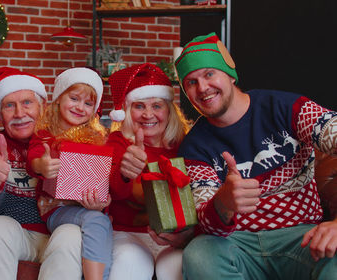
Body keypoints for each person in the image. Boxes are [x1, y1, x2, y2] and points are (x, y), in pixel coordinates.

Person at [175, 32, 337, 280]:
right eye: (191, 82)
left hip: (301, 238)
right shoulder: (194, 146)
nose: (203, 88)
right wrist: (223, 202)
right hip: (235, 245)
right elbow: (206, 224)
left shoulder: (287, 108)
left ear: (230, 74)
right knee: (199, 253)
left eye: (209, 74)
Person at [0, 67, 83, 280]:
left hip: (58, 233)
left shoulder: (69, 138)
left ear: (42, 107)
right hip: (16, 233)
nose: (19, 114)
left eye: (27, 103)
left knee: (72, 234)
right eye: (9, 106)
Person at [106, 63, 194, 280]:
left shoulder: (186, 144)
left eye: (157, 106)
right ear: (127, 111)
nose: (148, 114)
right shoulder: (117, 142)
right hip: (127, 233)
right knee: (129, 261)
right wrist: (125, 172)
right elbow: (112, 192)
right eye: (139, 106)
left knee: (174, 269)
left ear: (169, 110)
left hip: (175, 237)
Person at [26, 67, 113, 280]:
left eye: (88, 103)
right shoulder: (45, 136)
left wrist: (103, 200)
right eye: (74, 98)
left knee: (101, 220)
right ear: (58, 98)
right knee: (98, 222)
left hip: (87, 208)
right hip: (55, 210)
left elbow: (104, 179)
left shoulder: (98, 139)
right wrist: (42, 165)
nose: (80, 107)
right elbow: (34, 160)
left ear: (95, 110)